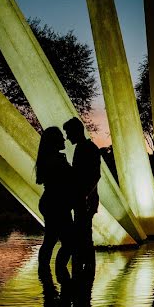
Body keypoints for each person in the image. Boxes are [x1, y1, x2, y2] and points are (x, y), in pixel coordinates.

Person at [62, 117, 100, 281]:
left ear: (76, 131)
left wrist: (85, 195)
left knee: (84, 234)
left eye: (69, 133)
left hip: (85, 200)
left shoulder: (88, 148)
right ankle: (84, 272)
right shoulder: (83, 148)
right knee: (83, 234)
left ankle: (85, 271)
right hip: (82, 199)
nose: (67, 137)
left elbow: (95, 175)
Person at [35, 126, 73, 271]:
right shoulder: (54, 161)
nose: (64, 139)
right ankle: (57, 273)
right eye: (61, 137)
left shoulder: (50, 159)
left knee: (52, 240)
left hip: (53, 202)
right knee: (63, 241)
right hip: (56, 204)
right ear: (54, 141)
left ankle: (48, 274)